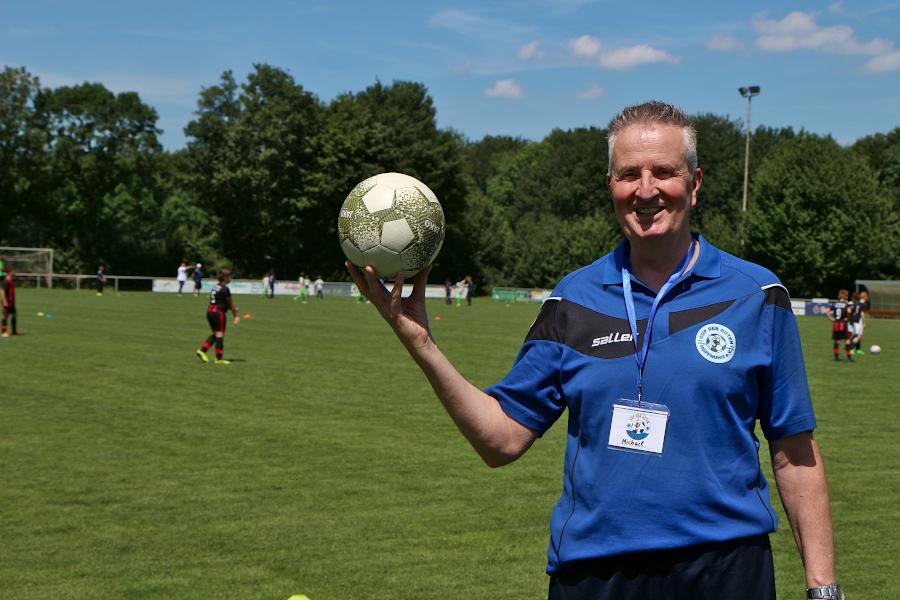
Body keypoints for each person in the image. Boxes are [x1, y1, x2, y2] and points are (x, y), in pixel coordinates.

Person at [347, 101, 840, 600]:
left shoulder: (757, 295)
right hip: (596, 574)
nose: (646, 190)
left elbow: (795, 454)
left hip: (725, 569)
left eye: (664, 172)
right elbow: (500, 441)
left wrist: (823, 590)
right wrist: (422, 344)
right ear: (611, 186)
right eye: (629, 174)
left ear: (694, 182)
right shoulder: (571, 301)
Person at [196, 268, 240, 365]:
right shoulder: (225, 289)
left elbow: (220, 301)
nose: (231, 278)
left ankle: (202, 351)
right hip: (218, 314)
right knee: (220, 335)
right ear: (225, 277)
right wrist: (236, 315)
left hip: (210, 312)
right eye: (229, 276)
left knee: (216, 334)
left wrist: (229, 308)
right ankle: (218, 359)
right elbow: (230, 303)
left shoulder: (216, 287)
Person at [826, 289, 853, 362]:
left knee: (837, 341)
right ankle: (849, 357)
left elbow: (826, 311)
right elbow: (849, 311)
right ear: (846, 297)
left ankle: (836, 356)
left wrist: (831, 319)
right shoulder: (847, 305)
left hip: (836, 324)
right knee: (847, 340)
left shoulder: (835, 304)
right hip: (844, 324)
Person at [851, 289, 870, 355]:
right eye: (867, 297)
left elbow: (852, 311)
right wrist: (864, 322)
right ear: (865, 297)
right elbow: (862, 313)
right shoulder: (864, 304)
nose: (868, 298)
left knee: (856, 335)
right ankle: (851, 349)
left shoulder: (856, 303)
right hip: (859, 321)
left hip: (854, 320)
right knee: (859, 336)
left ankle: (857, 350)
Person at [1, 266, 19, 337]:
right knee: (5, 316)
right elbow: (2, 291)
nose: (15, 272)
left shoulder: (11, 280)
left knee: (14, 316)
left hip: (12, 302)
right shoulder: (5, 281)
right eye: (14, 271)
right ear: (10, 272)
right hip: (7, 302)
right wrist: (5, 301)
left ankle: (14, 331)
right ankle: (3, 332)